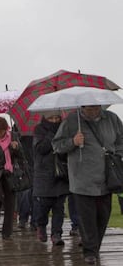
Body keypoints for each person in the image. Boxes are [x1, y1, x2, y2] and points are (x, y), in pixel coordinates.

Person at [52, 105, 123, 264]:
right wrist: (73, 141)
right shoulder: (71, 120)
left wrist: (117, 155)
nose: (92, 111)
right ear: (82, 106)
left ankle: (94, 247)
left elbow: (121, 141)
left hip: (106, 177)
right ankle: (90, 251)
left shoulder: (112, 119)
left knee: (103, 216)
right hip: (81, 179)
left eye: (95, 107)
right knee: (87, 218)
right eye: (88, 108)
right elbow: (57, 145)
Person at [33, 111, 69, 245]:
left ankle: (56, 234)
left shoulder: (64, 129)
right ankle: (41, 226)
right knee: (44, 205)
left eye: (57, 118)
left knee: (59, 207)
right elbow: (40, 149)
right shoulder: (39, 130)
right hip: (44, 175)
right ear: (45, 118)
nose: (54, 120)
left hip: (61, 173)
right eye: (51, 118)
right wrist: (51, 135)